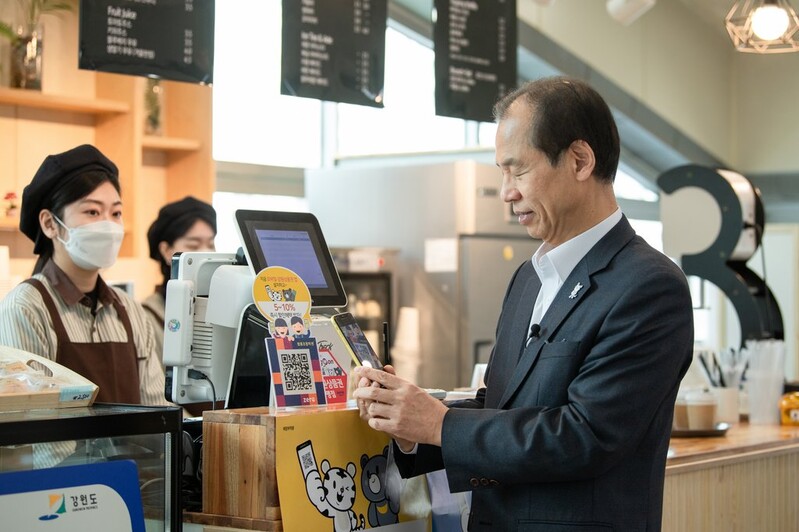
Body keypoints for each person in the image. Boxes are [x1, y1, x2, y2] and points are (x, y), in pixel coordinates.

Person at [353, 77, 694, 531]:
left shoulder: (650, 286)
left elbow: (584, 435)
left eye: (518, 170)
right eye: (501, 172)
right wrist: (407, 416)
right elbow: (503, 409)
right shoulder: (529, 278)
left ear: (579, 160)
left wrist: (439, 424)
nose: (506, 191)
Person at [0, 144, 170, 407]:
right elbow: (35, 422)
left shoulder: (132, 312)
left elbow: (156, 409)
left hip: (138, 450)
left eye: (116, 213)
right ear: (49, 224)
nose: (108, 225)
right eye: (92, 211)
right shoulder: (25, 308)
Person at [143, 196, 216, 359]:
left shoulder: (220, 307)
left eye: (211, 244)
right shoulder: (147, 316)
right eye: (193, 246)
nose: (206, 253)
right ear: (167, 251)